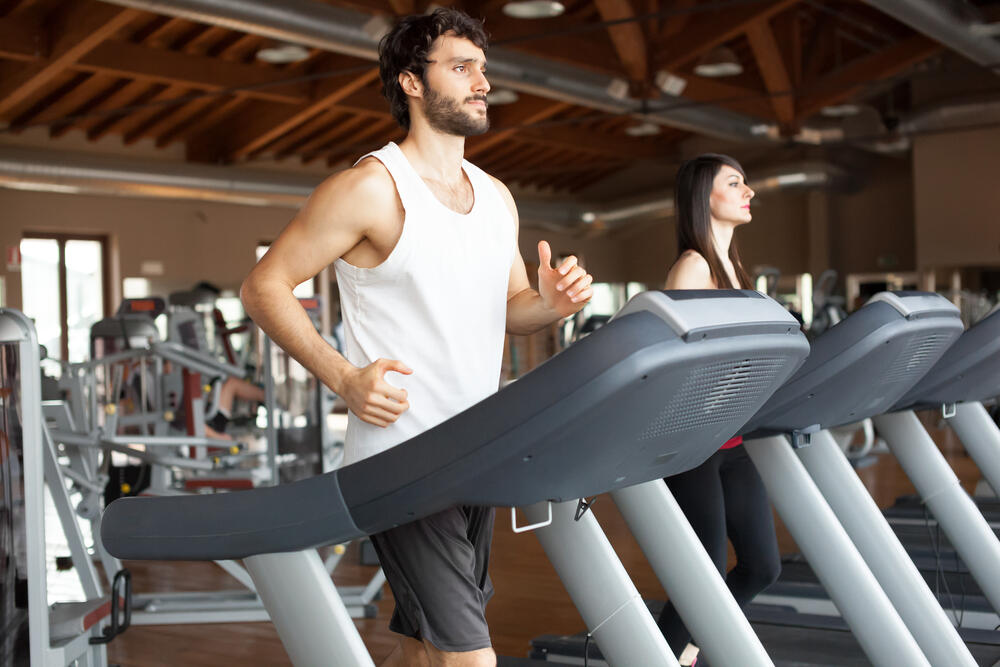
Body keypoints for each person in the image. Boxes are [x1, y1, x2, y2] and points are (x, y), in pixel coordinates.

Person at [239, 8, 593, 667]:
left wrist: (551, 302)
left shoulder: (496, 196)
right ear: (411, 82)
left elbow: (513, 309)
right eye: (461, 68)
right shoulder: (370, 189)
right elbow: (264, 286)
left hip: (478, 448)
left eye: (483, 69)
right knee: (468, 656)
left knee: (423, 647)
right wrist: (344, 377)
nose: (481, 82)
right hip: (404, 458)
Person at [655, 154, 781, 666]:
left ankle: (686, 648)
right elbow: (673, 364)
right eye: (735, 183)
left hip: (730, 440)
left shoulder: (732, 266)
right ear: (703, 196)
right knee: (701, 581)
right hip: (693, 447)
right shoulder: (693, 266)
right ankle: (662, 655)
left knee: (763, 566)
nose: (748, 191)